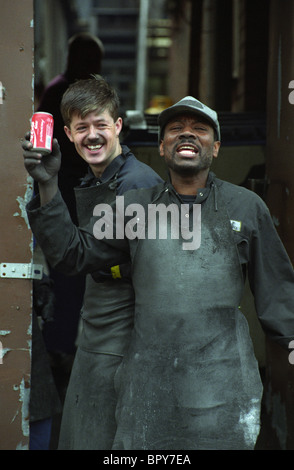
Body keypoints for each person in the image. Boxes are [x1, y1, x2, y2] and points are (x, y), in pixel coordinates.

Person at [23, 96, 294, 450]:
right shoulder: (133, 208)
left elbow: (278, 294)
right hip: (148, 387)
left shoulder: (246, 207)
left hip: (222, 385)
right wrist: (47, 183)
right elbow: (73, 254)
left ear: (216, 147)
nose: (187, 135)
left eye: (200, 129)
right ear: (161, 148)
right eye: (175, 130)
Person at [25, 75, 162, 449]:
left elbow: (76, 255)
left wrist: (47, 183)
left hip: (125, 336)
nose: (93, 135)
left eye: (101, 124)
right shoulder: (100, 177)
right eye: (81, 127)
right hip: (100, 329)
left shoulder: (135, 185)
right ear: (68, 134)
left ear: (118, 126)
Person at [36, 32, 105, 378]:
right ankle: (57, 350)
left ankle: (59, 348)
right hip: (62, 189)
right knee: (68, 275)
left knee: (72, 275)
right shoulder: (62, 92)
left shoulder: (64, 90)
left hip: (75, 191)